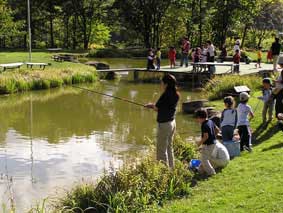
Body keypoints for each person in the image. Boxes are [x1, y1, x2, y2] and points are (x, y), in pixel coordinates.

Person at [145, 74, 180, 168]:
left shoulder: (165, 94)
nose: (161, 84)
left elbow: (156, 108)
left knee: (161, 151)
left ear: (166, 84)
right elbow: (164, 107)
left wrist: (150, 106)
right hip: (172, 123)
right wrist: (154, 106)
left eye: (162, 82)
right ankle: (171, 169)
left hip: (164, 124)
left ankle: (163, 173)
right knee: (169, 148)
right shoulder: (176, 94)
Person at [196, 109, 229, 176]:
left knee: (204, 159)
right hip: (214, 143)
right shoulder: (210, 121)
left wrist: (199, 143)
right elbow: (217, 130)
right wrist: (214, 136)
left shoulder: (204, 125)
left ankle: (211, 173)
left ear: (199, 117)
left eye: (197, 118)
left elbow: (206, 136)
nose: (197, 120)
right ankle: (200, 170)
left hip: (209, 144)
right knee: (204, 158)